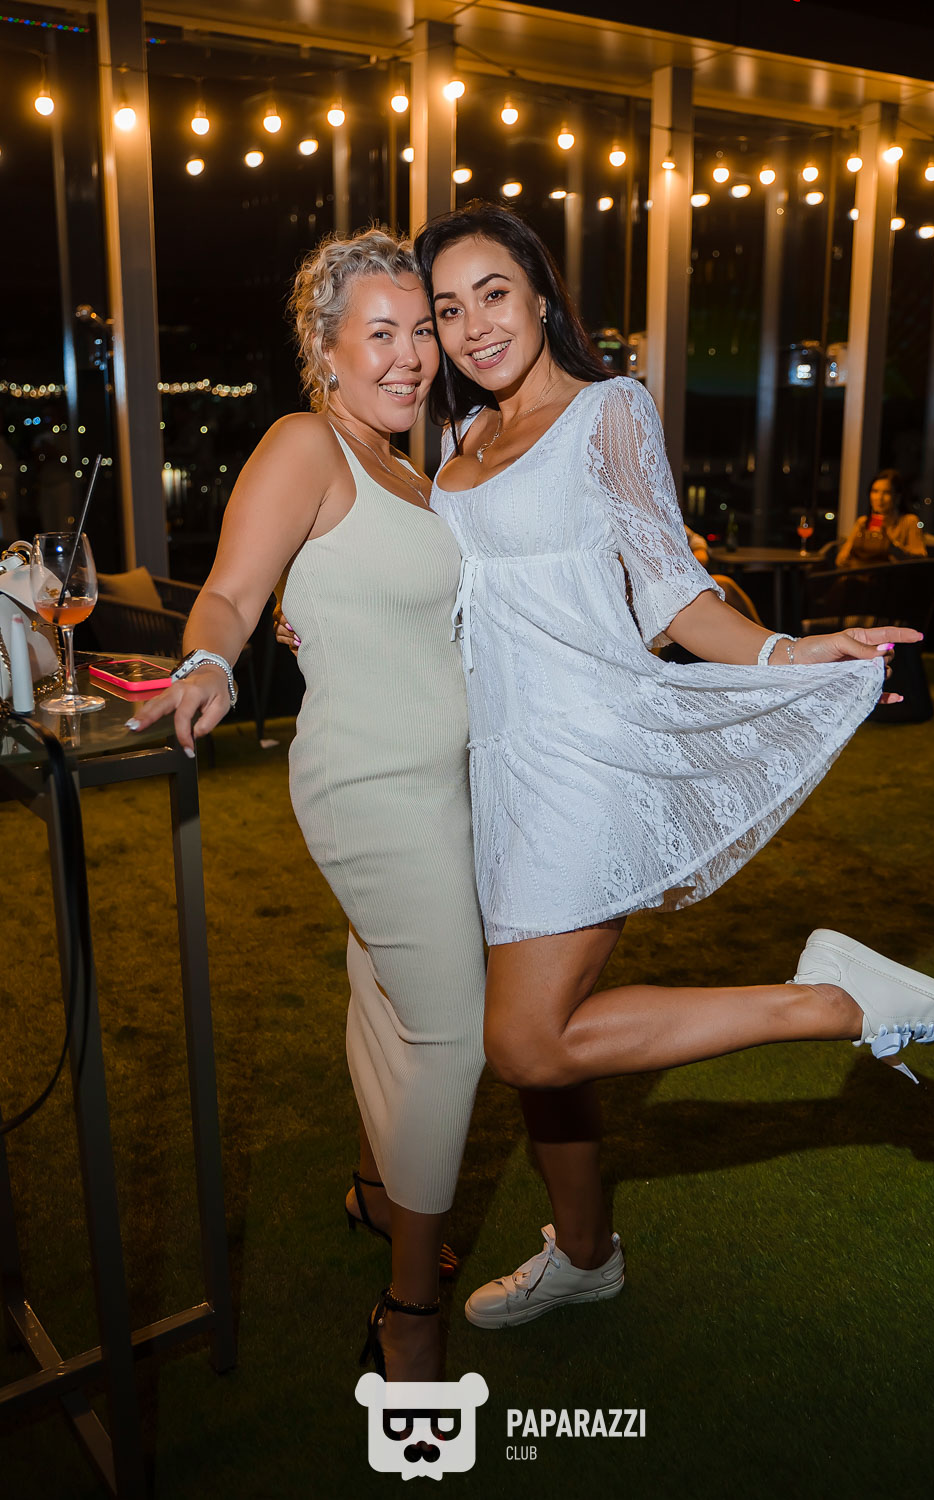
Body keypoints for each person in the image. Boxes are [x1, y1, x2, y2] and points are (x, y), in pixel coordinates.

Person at [406, 201, 934, 1329]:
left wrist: (790, 651)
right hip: (499, 769)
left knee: (524, 1038)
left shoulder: (606, 411)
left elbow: (674, 593)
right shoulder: (460, 442)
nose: (474, 326)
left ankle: (834, 1003)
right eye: (449, 308)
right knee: (549, 1042)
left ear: (541, 296)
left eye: (493, 293)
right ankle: (584, 1254)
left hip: (587, 754)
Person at [128, 229, 486, 1382]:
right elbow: (233, 592)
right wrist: (208, 665)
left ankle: (377, 1186)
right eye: (380, 333)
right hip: (369, 785)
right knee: (454, 1033)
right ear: (324, 349)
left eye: (421, 330)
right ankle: (409, 1309)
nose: (410, 355)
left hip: (444, 783)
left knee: (384, 993)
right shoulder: (307, 443)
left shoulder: (413, 470)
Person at [835, 470, 927, 568]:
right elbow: (840, 560)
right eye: (875, 491)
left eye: (886, 493)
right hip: (863, 574)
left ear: (897, 497)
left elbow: (920, 558)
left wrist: (892, 548)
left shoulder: (909, 521)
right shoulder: (864, 522)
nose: (879, 498)